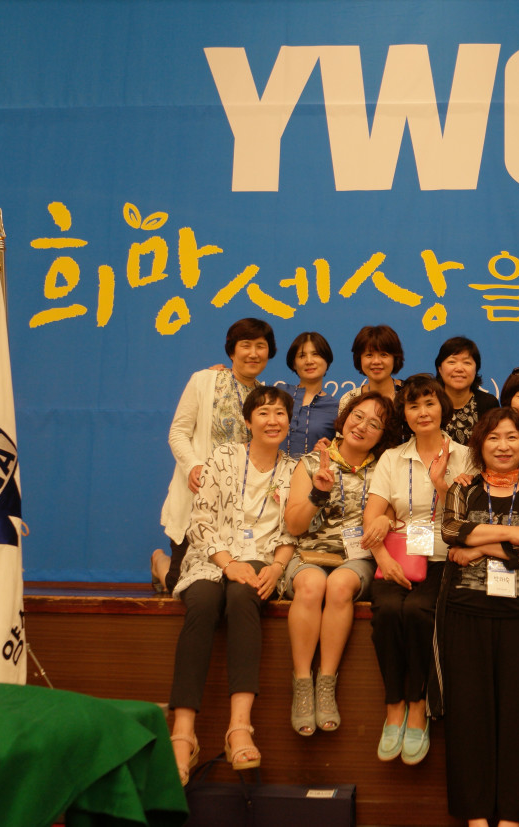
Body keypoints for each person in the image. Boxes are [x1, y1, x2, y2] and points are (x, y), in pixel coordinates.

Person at [166, 386, 296, 785]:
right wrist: (227, 563)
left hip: (262, 558)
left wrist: (277, 567)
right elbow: (200, 521)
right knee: (203, 602)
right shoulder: (223, 457)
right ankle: (183, 732)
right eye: (263, 413)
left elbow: (293, 531)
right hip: (211, 556)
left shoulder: (295, 470)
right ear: (247, 421)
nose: (272, 420)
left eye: (280, 413)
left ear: (289, 422)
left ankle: (240, 726)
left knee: (243, 596)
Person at [436, 408, 519, 827]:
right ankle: (475, 815)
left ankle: (509, 817)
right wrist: (510, 533)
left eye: (512, 437)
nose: (503, 446)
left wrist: (479, 547)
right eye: (493, 438)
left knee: (517, 719)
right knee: (468, 716)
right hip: (465, 612)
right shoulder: (462, 489)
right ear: (479, 445)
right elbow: (450, 531)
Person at [362, 374, 474, 765]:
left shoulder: (466, 456)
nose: (422, 412)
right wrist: (383, 559)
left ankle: (418, 705)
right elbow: (373, 515)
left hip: (446, 556)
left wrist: (442, 484)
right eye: (413, 406)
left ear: (443, 407)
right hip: (397, 555)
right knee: (387, 611)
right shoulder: (392, 458)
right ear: (405, 414)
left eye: (429, 403)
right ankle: (393, 704)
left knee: (418, 611)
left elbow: (471, 517)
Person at [282, 392, 395, 735]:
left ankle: (326, 683)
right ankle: (303, 682)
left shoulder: (384, 467)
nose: (362, 426)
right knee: (312, 584)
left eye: (374, 424)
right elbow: (294, 527)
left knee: (340, 584)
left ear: (382, 435)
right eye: (357, 417)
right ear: (344, 419)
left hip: (357, 558)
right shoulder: (310, 462)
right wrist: (317, 494)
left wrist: (386, 519)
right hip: (309, 554)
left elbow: (394, 514)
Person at [153, 318, 276, 593]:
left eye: (261, 346)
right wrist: (193, 466)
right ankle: (159, 561)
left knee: (226, 583)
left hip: (237, 510)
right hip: (198, 499)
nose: (253, 353)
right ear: (232, 351)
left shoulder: (263, 397)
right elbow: (178, 432)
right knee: (181, 584)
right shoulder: (204, 380)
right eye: (246, 345)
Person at [434, 336, 500, 444]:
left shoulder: (488, 404)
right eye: (452, 362)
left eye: (467, 363)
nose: (459, 369)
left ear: (476, 369)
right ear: (440, 369)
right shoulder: (429, 402)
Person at [284, 331, 340, 458]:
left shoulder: (337, 408)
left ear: (327, 360)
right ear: (294, 363)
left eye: (316, 354)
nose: (309, 361)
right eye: (302, 356)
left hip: (313, 470)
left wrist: (330, 450)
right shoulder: (278, 395)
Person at [337, 325, 404, 415]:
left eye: (383, 355)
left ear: (395, 358)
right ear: (359, 359)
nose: (376, 361)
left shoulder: (410, 394)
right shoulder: (349, 399)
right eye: (369, 355)